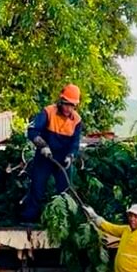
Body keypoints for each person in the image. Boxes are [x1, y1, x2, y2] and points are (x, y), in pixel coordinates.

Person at [20, 84, 83, 224]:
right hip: (45, 157)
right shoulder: (48, 112)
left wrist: (70, 156)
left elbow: (75, 143)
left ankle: (64, 222)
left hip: (63, 160)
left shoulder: (76, 120)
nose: (69, 108)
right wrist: (42, 146)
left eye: (72, 106)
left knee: (65, 191)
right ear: (61, 101)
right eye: (67, 104)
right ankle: (29, 219)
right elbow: (32, 131)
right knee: (37, 187)